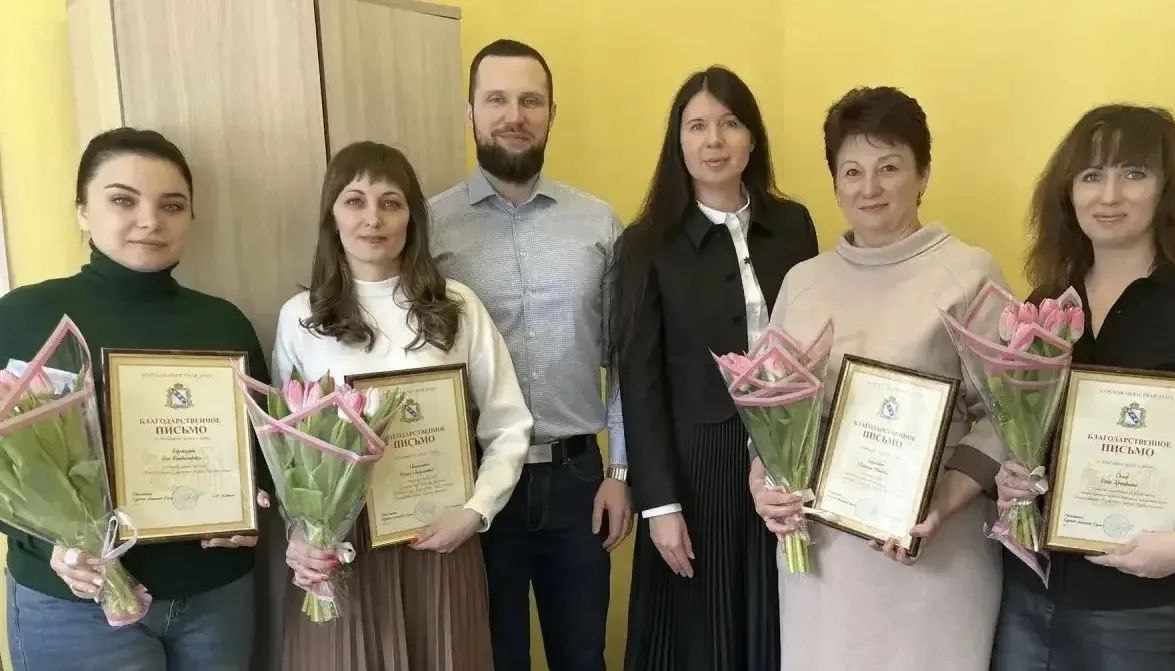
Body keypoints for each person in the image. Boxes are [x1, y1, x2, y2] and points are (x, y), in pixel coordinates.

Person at [991, 104, 1175, 670]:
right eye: (1091, 175)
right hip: (1029, 595)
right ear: (1068, 193)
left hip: (1153, 608)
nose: (1109, 195)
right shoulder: (1043, 308)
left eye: (1133, 174)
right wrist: (1014, 476)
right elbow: (1032, 437)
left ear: (1168, 189)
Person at [750, 86, 1007, 669]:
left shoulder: (967, 274)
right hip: (822, 562)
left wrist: (940, 503)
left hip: (932, 554)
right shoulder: (804, 282)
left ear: (923, 174)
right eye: (852, 171)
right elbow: (770, 412)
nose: (869, 187)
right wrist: (763, 484)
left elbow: (1006, 417)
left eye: (889, 167)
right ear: (835, 182)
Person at [0, 127, 268, 671]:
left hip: (216, 596)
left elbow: (262, 450)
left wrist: (251, 507)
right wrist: (53, 547)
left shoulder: (224, 323)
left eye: (172, 205)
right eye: (123, 200)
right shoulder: (23, 317)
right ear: (82, 211)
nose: (150, 221)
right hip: (75, 607)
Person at [273, 141, 532, 670]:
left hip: (439, 537)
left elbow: (508, 424)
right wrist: (299, 532)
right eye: (355, 201)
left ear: (412, 217)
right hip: (342, 547)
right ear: (331, 217)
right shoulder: (301, 317)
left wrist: (476, 511)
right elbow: (285, 449)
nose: (373, 218)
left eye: (390, 203)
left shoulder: (457, 306)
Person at [428, 39, 632, 671]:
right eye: (496, 100)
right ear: (470, 112)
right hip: (476, 482)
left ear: (550, 113)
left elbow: (623, 358)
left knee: (583, 655)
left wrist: (620, 471)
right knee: (495, 657)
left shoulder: (598, 223)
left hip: (578, 481)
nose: (513, 115)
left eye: (530, 101)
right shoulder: (428, 229)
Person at [613, 65, 818, 671]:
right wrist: (660, 506)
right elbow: (640, 382)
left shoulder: (794, 226)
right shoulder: (646, 244)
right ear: (678, 142)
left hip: (785, 457)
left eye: (730, 124)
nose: (714, 141)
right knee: (701, 632)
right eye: (697, 126)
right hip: (695, 466)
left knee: (779, 612)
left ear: (753, 138)